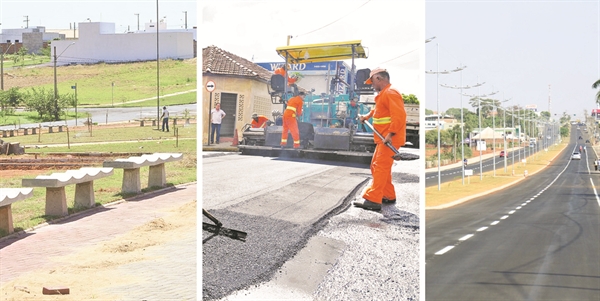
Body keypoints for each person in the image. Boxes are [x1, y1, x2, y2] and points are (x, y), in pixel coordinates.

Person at [353, 68, 406, 211]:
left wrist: (390, 134)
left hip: (388, 139)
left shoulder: (390, 93)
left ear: (378, 78)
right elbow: (378, 111)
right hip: (383, 139)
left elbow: (399, 115)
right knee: (379, 167)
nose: (371, 85)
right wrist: (366, 117)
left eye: (372, 82)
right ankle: (388, 195)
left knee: (380, 167)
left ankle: (373, 199)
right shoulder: (384, 95)